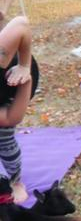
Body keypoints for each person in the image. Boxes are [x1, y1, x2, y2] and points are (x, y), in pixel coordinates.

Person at [0, 16, 39, 203]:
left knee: (3, 136)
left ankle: (16, 181)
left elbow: (21, 24)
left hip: (17, 80)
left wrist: (25, 68)